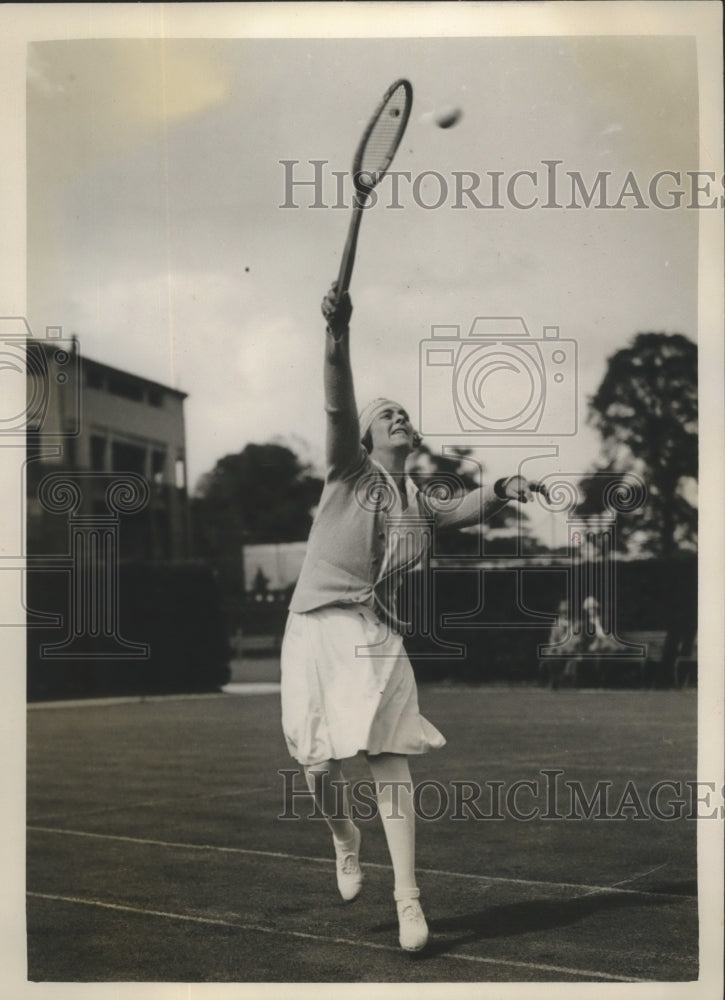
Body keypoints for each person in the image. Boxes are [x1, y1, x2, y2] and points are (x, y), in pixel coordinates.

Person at [280, 281, 549, 952]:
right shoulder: (348, 468)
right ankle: (344, 836)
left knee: (389, 756)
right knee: (315, 764)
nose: (397, 416)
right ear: (367, 436)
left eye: (403, 412)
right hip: (315, 624)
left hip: (374, 634)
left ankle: (407, 901)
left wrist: (505, 486)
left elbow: (466, 507)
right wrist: (335, 334)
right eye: (386, 413)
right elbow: (336, 400)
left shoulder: (415, 496)